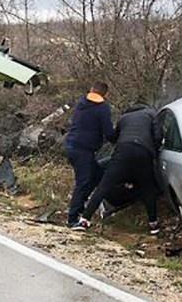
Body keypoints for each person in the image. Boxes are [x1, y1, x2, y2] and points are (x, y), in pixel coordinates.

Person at [77, 102, 163, 235]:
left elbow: (114, 138)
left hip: (123, 151)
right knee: (148, 188)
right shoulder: (151, 113)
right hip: (143, 151)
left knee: (104, 186)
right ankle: (153, 224)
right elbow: (158, 136)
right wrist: (155, 153)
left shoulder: (124, 118)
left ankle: (84, 220)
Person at [64, 81, 114, 230]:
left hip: (72, 146)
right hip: (83, 150)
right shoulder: (103, 108)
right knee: (84, 181)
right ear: (105, 94)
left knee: (97, 174)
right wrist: (118, 137)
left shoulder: (82, 102)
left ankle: (82, 206)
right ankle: (73, 219)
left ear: (92, 90)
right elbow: (108, 132)